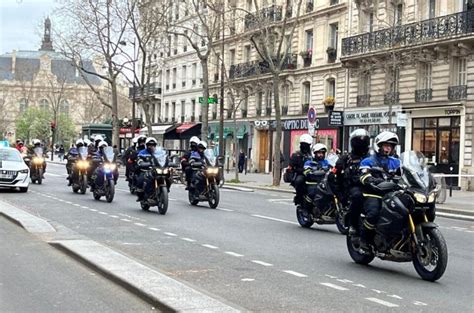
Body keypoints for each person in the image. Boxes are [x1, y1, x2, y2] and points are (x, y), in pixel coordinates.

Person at [358, 131, 401, 253]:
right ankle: (364, 240)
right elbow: (363, 176)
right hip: (373, 193)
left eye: (390, 146)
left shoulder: (396, 162)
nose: (388, 148)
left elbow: (406, 174)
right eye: (386, 145)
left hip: (392, 192)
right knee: (373, 213)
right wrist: (371, 180)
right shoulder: (368, 161)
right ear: (379, 146)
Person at [334, 129, 371, 235]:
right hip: (353, 187)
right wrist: (341, 196)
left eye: (364, 141)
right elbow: (335, 176)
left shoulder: (371, 158)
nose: (361, 144)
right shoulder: (346, 159)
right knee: (357, 196)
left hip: (370, 186)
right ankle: (353, 225)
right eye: (359, 141)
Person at [302, 143, 331, 216]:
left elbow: (331, 169)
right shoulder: (309, 162)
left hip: (324, 183)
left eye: (322, 153)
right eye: (319, 153)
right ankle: (306, 209)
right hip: (312, 183)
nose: (321, 155)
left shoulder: (326, 162)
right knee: (312, 193)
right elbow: (306, 172)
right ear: (314, 153)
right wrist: (315, 173)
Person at [288, 134, 313, 205]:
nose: (305, 146)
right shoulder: (296, 155)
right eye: (303, 144)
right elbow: (292, 167)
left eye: (306, 144)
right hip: (301, 174)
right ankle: (299, 198)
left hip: (313, 173)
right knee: (299, 181)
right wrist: (301, 170)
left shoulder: (312, 155)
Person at [135, 137, 160, 201]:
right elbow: (139, 160)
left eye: (153, 145)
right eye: (149, 145)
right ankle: (141, 195)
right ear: (146, 145)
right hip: (146, 170)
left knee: (168, 176)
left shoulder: (159, 153)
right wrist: (142, 163)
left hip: (157, 170)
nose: (151, 146)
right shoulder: (142, 152)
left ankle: (165, 190)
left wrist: (170, 163)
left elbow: (165, 159)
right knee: (141, 179)